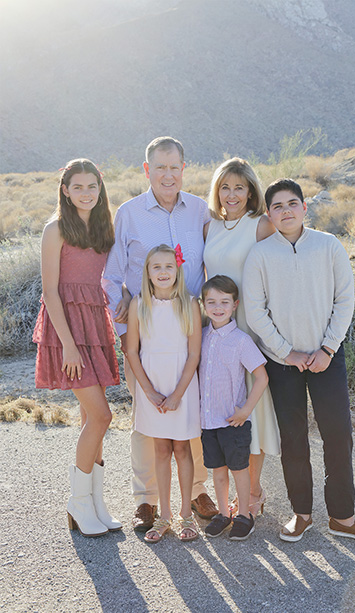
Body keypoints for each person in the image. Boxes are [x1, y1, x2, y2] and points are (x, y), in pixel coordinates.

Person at [243, 178, 355, 544]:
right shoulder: (259, 255)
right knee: (293, 439)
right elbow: (256, 312)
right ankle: (301, 514)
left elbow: (345, 300)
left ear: (305, 208)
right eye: (277, 206)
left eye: (293, 203)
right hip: (281, 362)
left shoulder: (328, 245)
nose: (286, 211)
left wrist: (326, 349)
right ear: (269, 214)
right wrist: (286, 352)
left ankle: (343, 517)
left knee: (338, 435)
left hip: (327, 358)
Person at [102, 137, 218, 531]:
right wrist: (124, 332)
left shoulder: (199, 210)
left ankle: (197, 491)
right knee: (147, 420)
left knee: (192, 414)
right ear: (146, 170)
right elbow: (113, 274)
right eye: (160, 167)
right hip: (145, 340)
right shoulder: (130, 214)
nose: (168, 174)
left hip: (191, 334)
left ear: (184, 169)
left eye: (175, 167)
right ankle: (147, 500)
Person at [33, 159, 122, 537]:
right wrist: (68, 345)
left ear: (100, 188)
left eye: (92, 186)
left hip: (96, 326)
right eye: (78, 187)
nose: (86, 193)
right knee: (102, 416)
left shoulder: (104, 228)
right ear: (65, 190)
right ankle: (78, 501)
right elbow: (50, 292)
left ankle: (95, 503)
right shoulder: (55, 230)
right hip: (65, 331)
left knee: (91, 419)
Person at [203, 158, 278, 519]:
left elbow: (278, 274)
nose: (231, 195)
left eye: (239, 187)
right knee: (223, 410)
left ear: (251, 192)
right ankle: (234, 493)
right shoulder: (210, 227)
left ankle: (254, 491)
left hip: (250, 326)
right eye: (225, 187)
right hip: (218, 327)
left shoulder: (260, 225)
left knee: (253, 411)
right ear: (218, 191)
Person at [124, 245, 202, 542]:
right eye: (156, 267)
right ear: (147, 272)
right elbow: (132, 350)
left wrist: (177, 394)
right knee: (160, 449)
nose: (163, 272)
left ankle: (186, 514)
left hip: (180, 385)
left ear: (178, 269)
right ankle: (164, 515)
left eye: (169, 266)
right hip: (152, 386)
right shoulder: (139, 304)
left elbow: (194, 353)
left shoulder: (189, 303)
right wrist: (149, 392)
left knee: (182, 449)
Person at [199, 275, 269, 540]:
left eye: (224, 302)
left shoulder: (241, 340)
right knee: (217, 471)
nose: (218, 307)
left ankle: (244, 514)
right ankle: (223, 514)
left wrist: (246, 410)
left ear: (235, 304)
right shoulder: (202, 337)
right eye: (212, 302)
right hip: (208, 421)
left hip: (233, 420)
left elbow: (262, 377)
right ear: (204, 305)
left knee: (239, 470)